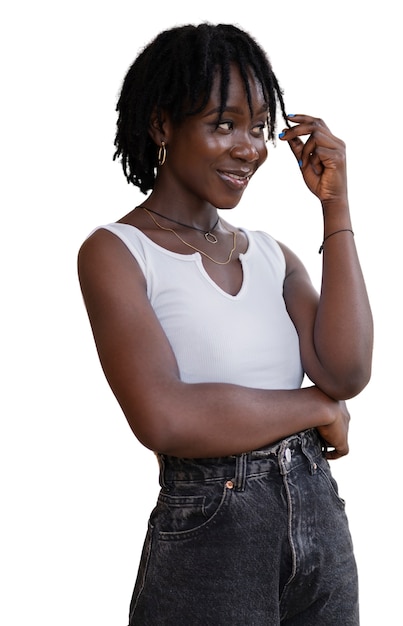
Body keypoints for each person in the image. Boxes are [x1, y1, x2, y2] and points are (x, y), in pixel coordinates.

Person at [78, 23, 373, 626]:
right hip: (214, 528)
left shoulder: (271, 255)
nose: (250, 147)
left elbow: (347, 370)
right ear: (162, 125)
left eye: (261, 127)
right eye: (223, 124)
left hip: (319, 511)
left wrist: (335, 206)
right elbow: (165, 417)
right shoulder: (117, 252)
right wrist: (316, 410)